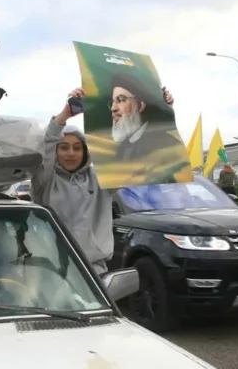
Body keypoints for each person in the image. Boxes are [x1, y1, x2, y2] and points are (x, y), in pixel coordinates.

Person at [31, 87, 174, 274]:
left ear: (86, 151)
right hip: (50, 270)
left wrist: (160, 112)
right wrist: (66, 113)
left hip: (93, 272)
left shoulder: (103, 178)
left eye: (77, 148)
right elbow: (48, 141)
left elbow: (141, 155)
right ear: (55, 151)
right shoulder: (45, 179)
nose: (71, 153)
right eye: (64, 147)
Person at [109, 72, 178, 162]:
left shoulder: (167, 144)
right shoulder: (123, 147)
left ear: (141, 106)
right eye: (112, 102)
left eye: (121, 100)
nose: (113, 108)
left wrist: (166, 104)